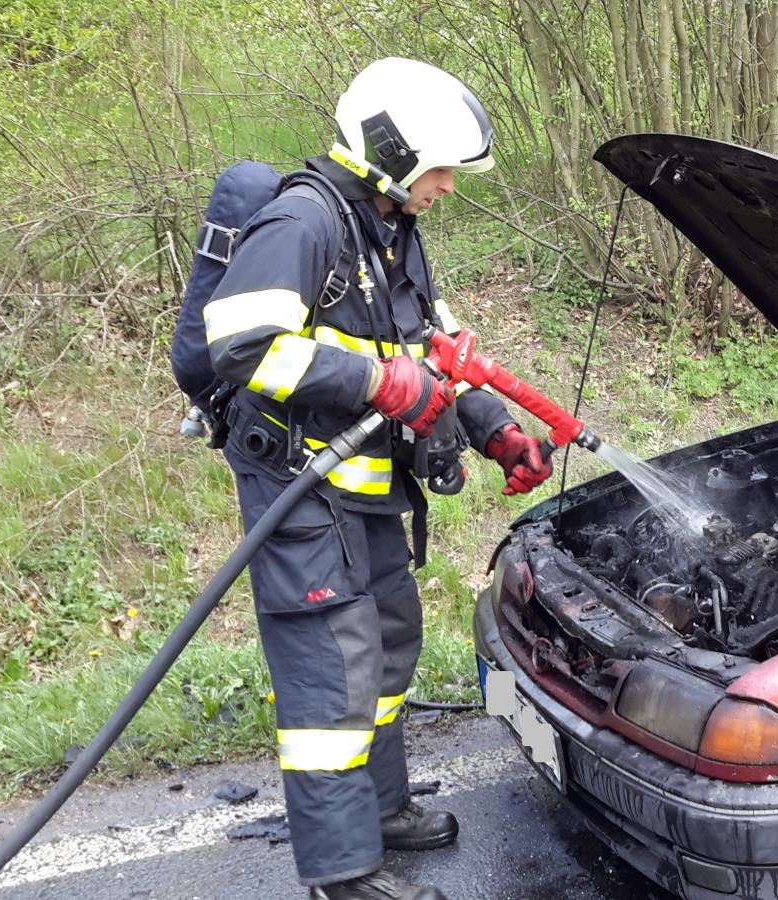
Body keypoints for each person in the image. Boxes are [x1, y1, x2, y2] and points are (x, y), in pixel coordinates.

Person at [203, 57, 552, 900]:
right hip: (300, 492)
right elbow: (241, 345)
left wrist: (498, 430)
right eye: (440, 169)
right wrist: (376, 383)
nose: (447, 187)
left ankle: (384, 809)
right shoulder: (303, 223)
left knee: (390, 640)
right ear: (393, 148)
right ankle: (344, 872)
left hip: (366, 492)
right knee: (334, 672)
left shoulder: (391, 232)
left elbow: (440, 354)